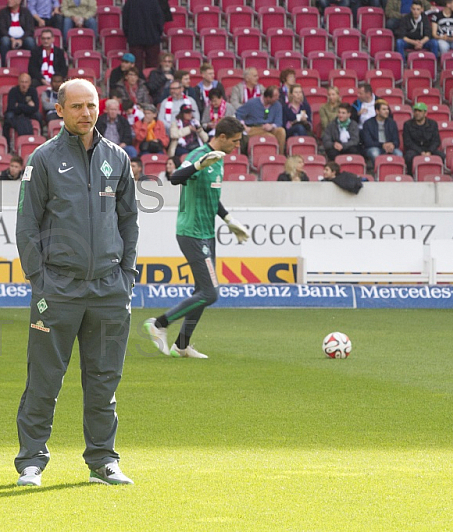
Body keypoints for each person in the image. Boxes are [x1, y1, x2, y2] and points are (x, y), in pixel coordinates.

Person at [15, 78, 138, 488]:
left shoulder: (118, 158)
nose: (86, 113)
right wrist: (40, 280)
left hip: (108, 289)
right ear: (60, 111)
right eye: (77, 106)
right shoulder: (44, 159)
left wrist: (127, 276)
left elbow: (129, 222)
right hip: (59, 289)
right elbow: (27, 225)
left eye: (92, 105)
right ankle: (31, 461)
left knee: (104, 381)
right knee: (45, 379)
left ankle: (103, 460)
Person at [143, 116, 249, 359]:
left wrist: (229, 220)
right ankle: (159, 324)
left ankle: (181, 345)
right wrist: (199, 165)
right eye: (234, 141)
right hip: (191, 233)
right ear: (221, 137)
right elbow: (175, 178)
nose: (236, 146)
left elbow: (212, 197)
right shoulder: (199, 155)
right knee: (210, 293)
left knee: (201, 291)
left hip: (207, 233)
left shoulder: (219, 160)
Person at [235, 85, 286, 154]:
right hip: (254, 128)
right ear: (268, 98)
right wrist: (243, 126)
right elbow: (238, 114)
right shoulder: (252, 103)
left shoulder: (277, 105)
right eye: (275, 96)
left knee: (281, 131)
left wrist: (272, 126)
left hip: (269, 127)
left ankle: (280, 156)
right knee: (270, 137)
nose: (278, 98)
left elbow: (279, 122)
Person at [402, 101, 445, 173]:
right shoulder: (407, 124)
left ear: (425, 113)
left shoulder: (433, 124)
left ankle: (437, 174)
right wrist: (420, 152)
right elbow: (407, 142)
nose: (417, 113)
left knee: (441, 156)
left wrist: (429, 151)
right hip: (415, 149)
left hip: (429, 149)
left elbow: (436, 141)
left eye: (420, 111)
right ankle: (411, 175)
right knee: (409, 157)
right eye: (415, 111)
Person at [122, 0, 164, 71]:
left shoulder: (130, 3)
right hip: (152, 37)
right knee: (152, 67)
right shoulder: (154, 2)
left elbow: (125, 22)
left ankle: (137, 81)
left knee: (136, 67)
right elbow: (160, 21)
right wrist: (158, 33)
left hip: (134, 38)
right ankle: (151, 81)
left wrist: (128, 35)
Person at [361, 99, 403, 170]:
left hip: (389, 147)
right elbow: (368, 142)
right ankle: (379, 172)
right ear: (377, 111)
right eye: (384, 109)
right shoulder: (368, 123)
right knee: (375, 153)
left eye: (387, 109)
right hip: (374, 147)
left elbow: (396, 141)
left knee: (399, 154)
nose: (387, 111)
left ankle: (395, 172)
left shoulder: (392, 123)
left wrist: (392, 145)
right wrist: (382, 145)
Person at [4, 72, 41, 139]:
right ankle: (8, 141)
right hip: (16, 114)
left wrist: (19, 105)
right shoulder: (13, 91)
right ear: (18, 82)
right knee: (9, 116)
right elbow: (11, 107)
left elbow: (36, 108)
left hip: (28, 113)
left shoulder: (33, 91)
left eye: (26, 82)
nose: (24, 85)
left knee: (38, 115)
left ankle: (40, 138)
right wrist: (28, 106)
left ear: (29, 83)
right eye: (22, 82)